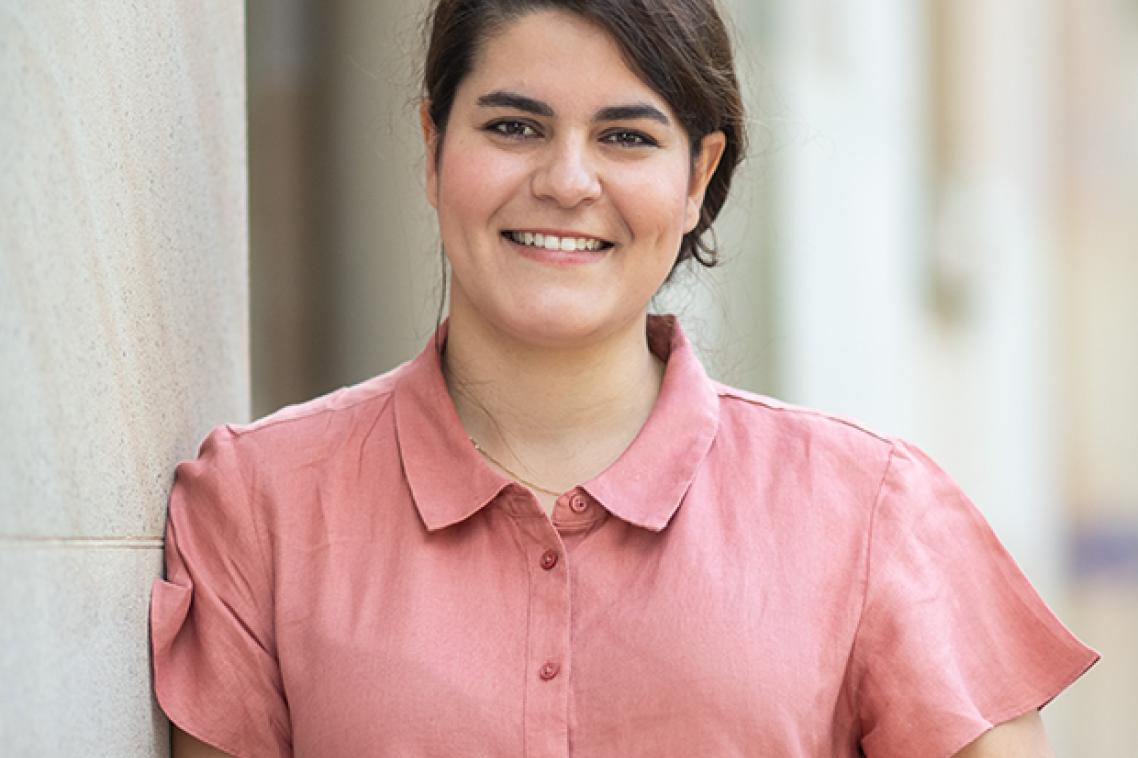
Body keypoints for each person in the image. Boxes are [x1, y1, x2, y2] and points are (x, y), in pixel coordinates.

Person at [151, 1, 1098, 756]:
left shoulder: (874, 513)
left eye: (627, 137)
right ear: (434, 149)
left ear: (698, 177)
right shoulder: (260, 508)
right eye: (515, 125)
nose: (567, 181)